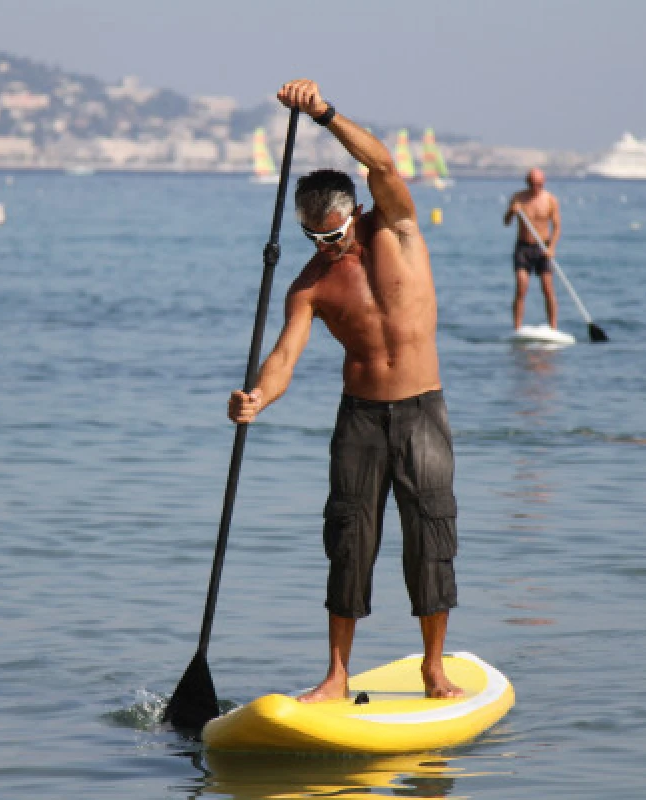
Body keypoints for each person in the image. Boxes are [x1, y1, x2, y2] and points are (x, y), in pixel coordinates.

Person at [228, 79, 463, 702]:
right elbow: (284, 356)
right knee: (348, 541)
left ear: (353, 212)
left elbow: (382, 162)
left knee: (430, 537)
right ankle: (337, 675)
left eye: (334, 234)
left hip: (421, 411)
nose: (327, 247)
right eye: (314, 237)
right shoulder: (310, 285)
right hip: (359, 419)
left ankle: (433, 670)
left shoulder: (398, 228)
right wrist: (259, 397)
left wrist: (324, 113)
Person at [503, 169, 562, 330]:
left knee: (547, 287)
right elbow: (506, 222)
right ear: (527, 182)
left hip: (543, 247)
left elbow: (557, 227)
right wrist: (511, 212)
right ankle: (517, 328)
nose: (535, 187)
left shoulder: (550, 200)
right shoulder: (518, 198)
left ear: (543, 183)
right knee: (521, 286)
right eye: (532, 184)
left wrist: (552, 247)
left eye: (539, 184)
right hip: (523, 247)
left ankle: (553, 327)